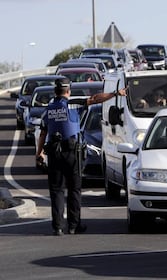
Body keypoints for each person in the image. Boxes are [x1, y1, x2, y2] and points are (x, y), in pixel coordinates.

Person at [35, 77, 127, 236]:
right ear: (68, 91)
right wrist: (115, 93)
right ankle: (73, 226)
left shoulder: (48, 110)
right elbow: (94, 99)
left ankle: (57, 227)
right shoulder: (72, 104)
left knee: (56, 191)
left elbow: (43, 133)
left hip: (55, 154)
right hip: (72, 154)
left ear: (55, 91)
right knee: (74, 190)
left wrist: (39, 153)